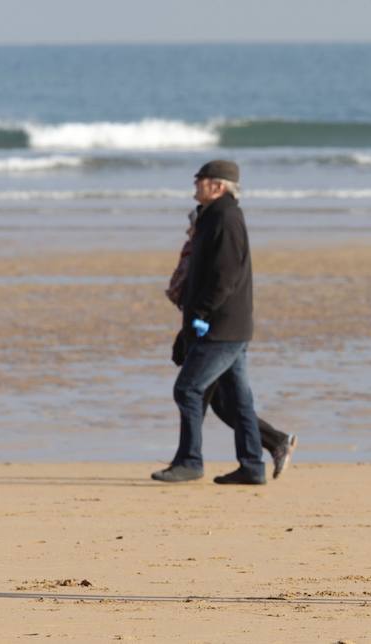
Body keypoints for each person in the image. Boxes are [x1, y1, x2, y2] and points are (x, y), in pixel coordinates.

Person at [152, 159, 269, 485]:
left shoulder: (226, 218)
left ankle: (190, 461)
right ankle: (252, 466)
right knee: (238, 399)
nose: (195, 185)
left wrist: (201, 314)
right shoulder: (212, 217)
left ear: (217, 186)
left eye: (200, 180)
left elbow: (225, 276)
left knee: (188, 389)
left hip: (222, 327)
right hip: (227, 325)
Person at [166, 207, 297, 480]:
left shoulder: (204, 251)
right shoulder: (195, 251)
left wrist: (195, 326)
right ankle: (260, 455)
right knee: (228, 402)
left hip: (217, 335)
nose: (188, 231)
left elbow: (213, 291)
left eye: (192, 226)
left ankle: (189, 462)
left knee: (193, 392)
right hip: (215, 333)